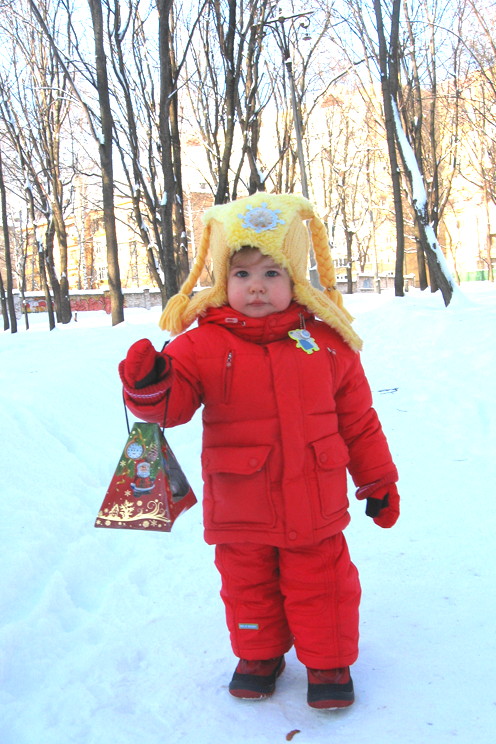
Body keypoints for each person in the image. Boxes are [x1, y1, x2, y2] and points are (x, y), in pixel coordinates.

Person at [119, 193, 399, 710]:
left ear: (296, 280)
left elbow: (358, 421)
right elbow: (171, 406)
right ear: (223, 281)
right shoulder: (200, 345)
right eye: (243, 273)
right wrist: (150, 382)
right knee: (248, 586)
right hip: (240, 503)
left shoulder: (329, 343)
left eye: (272, 273)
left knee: (323, 584)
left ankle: (328, 659)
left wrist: (378, 481)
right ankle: (258, 654)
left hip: (315, 501)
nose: (256, 286)